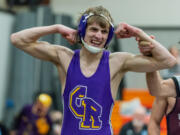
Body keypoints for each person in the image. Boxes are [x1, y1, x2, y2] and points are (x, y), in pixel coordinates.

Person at [10, 5, 176, 135]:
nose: (99, 36)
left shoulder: (116, 61)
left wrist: (138, 32)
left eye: (104, 31)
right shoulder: (64, 57)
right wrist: (57, 27)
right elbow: (18, 39)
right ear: (82, 30)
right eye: (94, 29)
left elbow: (168, 60)